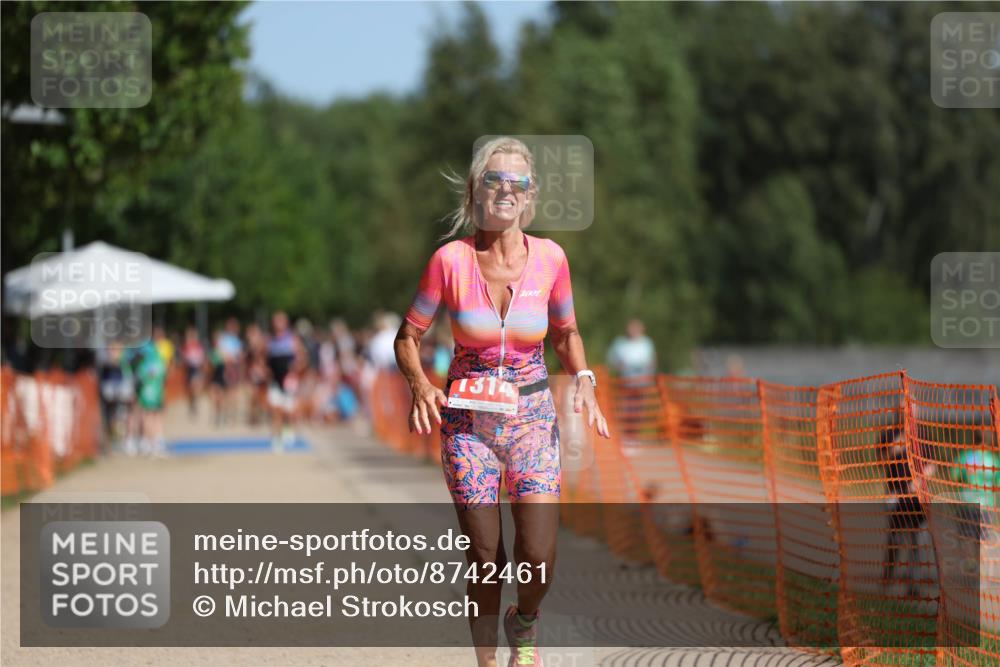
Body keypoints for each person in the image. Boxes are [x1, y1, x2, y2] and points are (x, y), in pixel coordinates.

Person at [394, 136, 611, 667]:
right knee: (485, 554)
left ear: (530, 195)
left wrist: (583, 375)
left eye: (518, 182)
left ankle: (525, 621)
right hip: (467, 425)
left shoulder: (551, 259)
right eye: (495, 180)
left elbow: (565, 332)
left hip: (532, 421)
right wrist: (421, 385)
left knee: (538, 556)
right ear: (476, 191)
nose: (506, 190)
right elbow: (407, 337)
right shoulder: (450, 261)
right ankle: (488, 661)